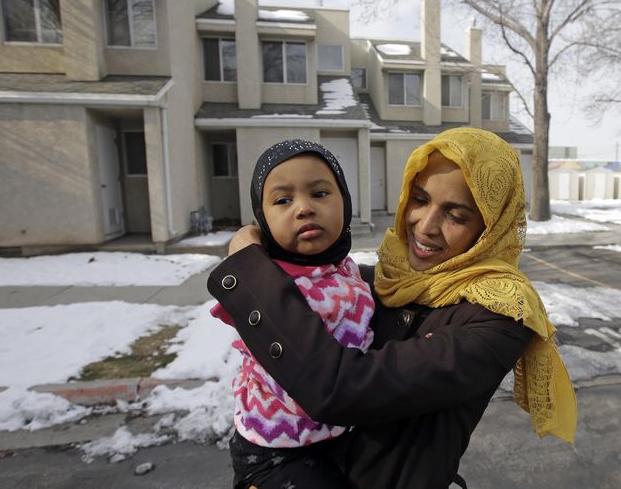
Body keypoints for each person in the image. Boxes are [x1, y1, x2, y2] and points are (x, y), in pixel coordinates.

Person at [209, 127, 577, 488]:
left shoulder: (500, 317)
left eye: (456, 215)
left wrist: (248, 266)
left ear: (489, 228)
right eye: (419, 199)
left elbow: (337, 389)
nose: (425, 225)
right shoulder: (382, 281)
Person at [210, 139, 375, 489]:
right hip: (276, 449)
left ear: (345, 201)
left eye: (319, 193)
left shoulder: (345, 269)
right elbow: (300, 384)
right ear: (263, 219)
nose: (303, 208)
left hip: (334, 434)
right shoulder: (268, 284)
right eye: (283, 200)